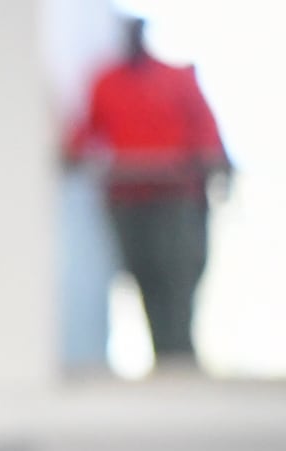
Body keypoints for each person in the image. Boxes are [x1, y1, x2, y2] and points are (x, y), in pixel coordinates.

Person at [66, 17, 229, 370]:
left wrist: (211, 169)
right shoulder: (106, 82)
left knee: (178, 279)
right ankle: (165, 360)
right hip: (128, 201)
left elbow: (205, 133)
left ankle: (181, 359)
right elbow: (84, 134)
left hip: (175, 198)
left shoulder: (176, 78)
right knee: (147, 279)